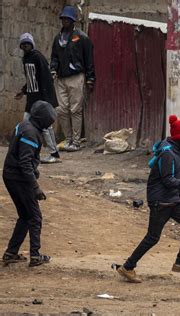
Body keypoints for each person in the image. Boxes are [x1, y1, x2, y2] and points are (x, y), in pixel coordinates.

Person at [117, 115, 180, 283]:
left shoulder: (173, 148)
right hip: (161, 202)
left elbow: (169, 175)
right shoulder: (169, 153)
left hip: (171, 200)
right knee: (152, 237)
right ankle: (127, 267)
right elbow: (168, 181)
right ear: (179, 138)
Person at [2, 100, 57, 267]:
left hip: (11, 175)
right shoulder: (31, 133)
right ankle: (35, 256)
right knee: (35, 216)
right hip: (20, 178)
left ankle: (11, 253)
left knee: (25, 216)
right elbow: (25, 163)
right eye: (49, 121)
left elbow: (22, 157)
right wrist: (35, 187)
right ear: (42, 120)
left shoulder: (24, 125)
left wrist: (34, 169)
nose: (49, 124)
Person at [50, 5, 95, 152]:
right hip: (61, 78)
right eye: (63, 19)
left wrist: (90, 79)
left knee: (75, 109)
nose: (65, 22)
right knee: (61, 109)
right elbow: (54, 57)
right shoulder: (58, 38)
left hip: (76, 77)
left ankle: (76, 141)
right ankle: (67, 139)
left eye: (68, 19)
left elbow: (89, 59)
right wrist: (53, 69)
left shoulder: (82, 37)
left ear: (73, 21)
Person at [15, 33, 60, 163]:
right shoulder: (26, 59)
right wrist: (23, 91)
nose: (25, 46)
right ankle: (24, 152)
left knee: (46, 127)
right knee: (25, 124)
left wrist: (46, 101)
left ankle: (54, 154)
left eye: (28, 44)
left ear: (32, 44)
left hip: (41, 99)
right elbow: (31, 79)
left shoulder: (38, 57)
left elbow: (46, 79)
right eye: (23, 44)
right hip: (31, 99)